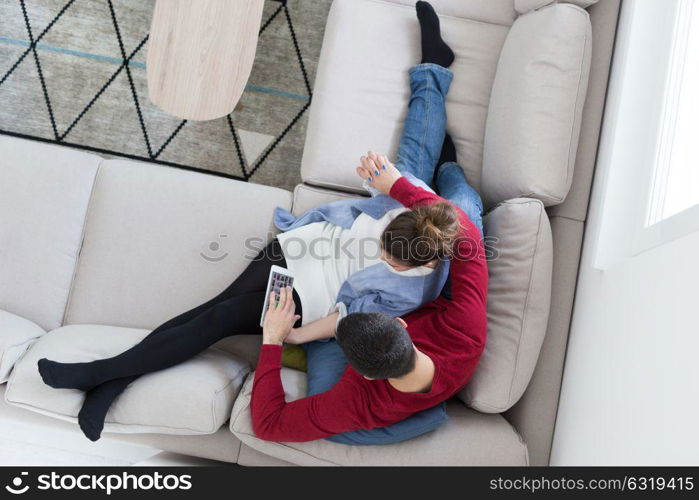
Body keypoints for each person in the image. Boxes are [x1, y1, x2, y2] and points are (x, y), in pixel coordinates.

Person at [250, 1, 488, 442]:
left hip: (411, 295)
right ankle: (444, 148)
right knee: (459, 208)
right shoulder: (464, 333)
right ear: (400, 325)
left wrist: (275, 342)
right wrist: (397, 184)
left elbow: (269, 426)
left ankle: (442, 144)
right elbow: (467, 237)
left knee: (437, 193)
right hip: (443, 273)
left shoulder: (359, 400)